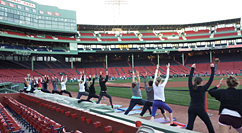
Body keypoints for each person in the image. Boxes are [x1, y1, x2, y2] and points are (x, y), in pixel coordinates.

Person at [186, 63, 215, 133]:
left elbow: (189, 79)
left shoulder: (191, 87)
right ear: (201, 82)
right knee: (209, 125)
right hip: (200, 109)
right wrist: (212, 68)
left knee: (189, 126)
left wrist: (192, 69)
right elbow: (210, 80)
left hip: (191, 108)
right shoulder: (203, 88)